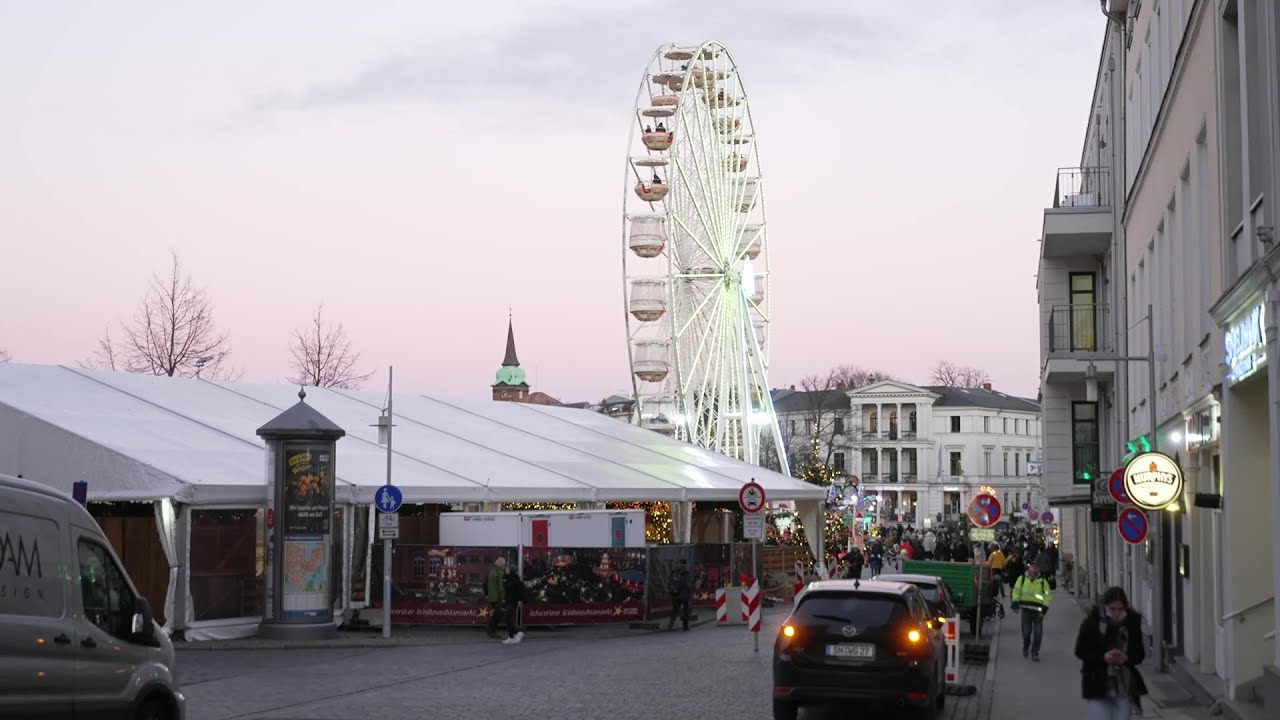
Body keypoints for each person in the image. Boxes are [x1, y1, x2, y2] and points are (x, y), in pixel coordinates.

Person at [1075, 586, 1148, 720]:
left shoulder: (1132, 622)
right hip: (1097, 683)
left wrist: (1126, 658)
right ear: (1105, 606)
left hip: (1124, 685)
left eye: (1120, 609)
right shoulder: (1092, 621)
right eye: (1112, 609)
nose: (1117, 613)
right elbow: (1080, 650)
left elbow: (1139, 654)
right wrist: (1103, 657)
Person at [1011, 562, 1053, 660]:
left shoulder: (1043, 582)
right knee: (1026, 633)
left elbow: (1048, 597)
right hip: (1026, 611)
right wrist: (1015, 604)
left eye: (1036, 568)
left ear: (1039, 570)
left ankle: (1035, 653)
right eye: (1033, 568)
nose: (1034, 570)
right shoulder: (1021, 579)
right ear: (1029, 569)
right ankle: (1026, 646)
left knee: (1038, 634)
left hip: (1038, 612)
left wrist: (1044, 611)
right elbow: (1016, 592)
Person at [501, 562, 526, 644]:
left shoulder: (515, 579)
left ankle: (516, 633)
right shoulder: (506, 577)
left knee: (508, 618)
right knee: (507, 618)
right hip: (508, 600)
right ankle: (513, 635)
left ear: (511, 570)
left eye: (507, 569)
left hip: (514, 601)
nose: (506, 570)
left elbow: (519, 591)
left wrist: (519, 600)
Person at [485, 557, 507, 639]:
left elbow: (485, 583)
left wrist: (487, 593)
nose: (505, 567)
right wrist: (503, 598)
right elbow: (501, 588)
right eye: (504, 565)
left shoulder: (491, 572)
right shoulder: (500, 573)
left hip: (491, 597)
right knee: (499, 614)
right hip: (498, 597)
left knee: (497, 613)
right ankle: (491, 630)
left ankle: (491, 629)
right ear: (501, 565)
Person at [668, 559, 693, 631]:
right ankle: (685, 626)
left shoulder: (674, 572)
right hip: (684, 594)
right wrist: (690, 592)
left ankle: (670, 625)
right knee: (685, 610)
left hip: (676, 594)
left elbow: (669, 584)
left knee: (675, 610)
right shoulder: (686, 573)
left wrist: (672, 592)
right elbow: (687, 584)